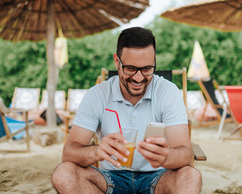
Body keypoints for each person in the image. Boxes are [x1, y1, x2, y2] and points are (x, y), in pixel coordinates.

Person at [52, 27, 202, 193]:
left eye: (147, 69)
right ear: (117, 62)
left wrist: (166, 156)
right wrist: (97, 151)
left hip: (158, 177)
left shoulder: (168, 92)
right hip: (110, 178)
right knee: (63, 174)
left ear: (154, 61)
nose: (138, 78)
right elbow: (69, 152)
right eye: (130, 68)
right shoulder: (97, 95)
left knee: (191, 176)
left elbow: (186, 154)